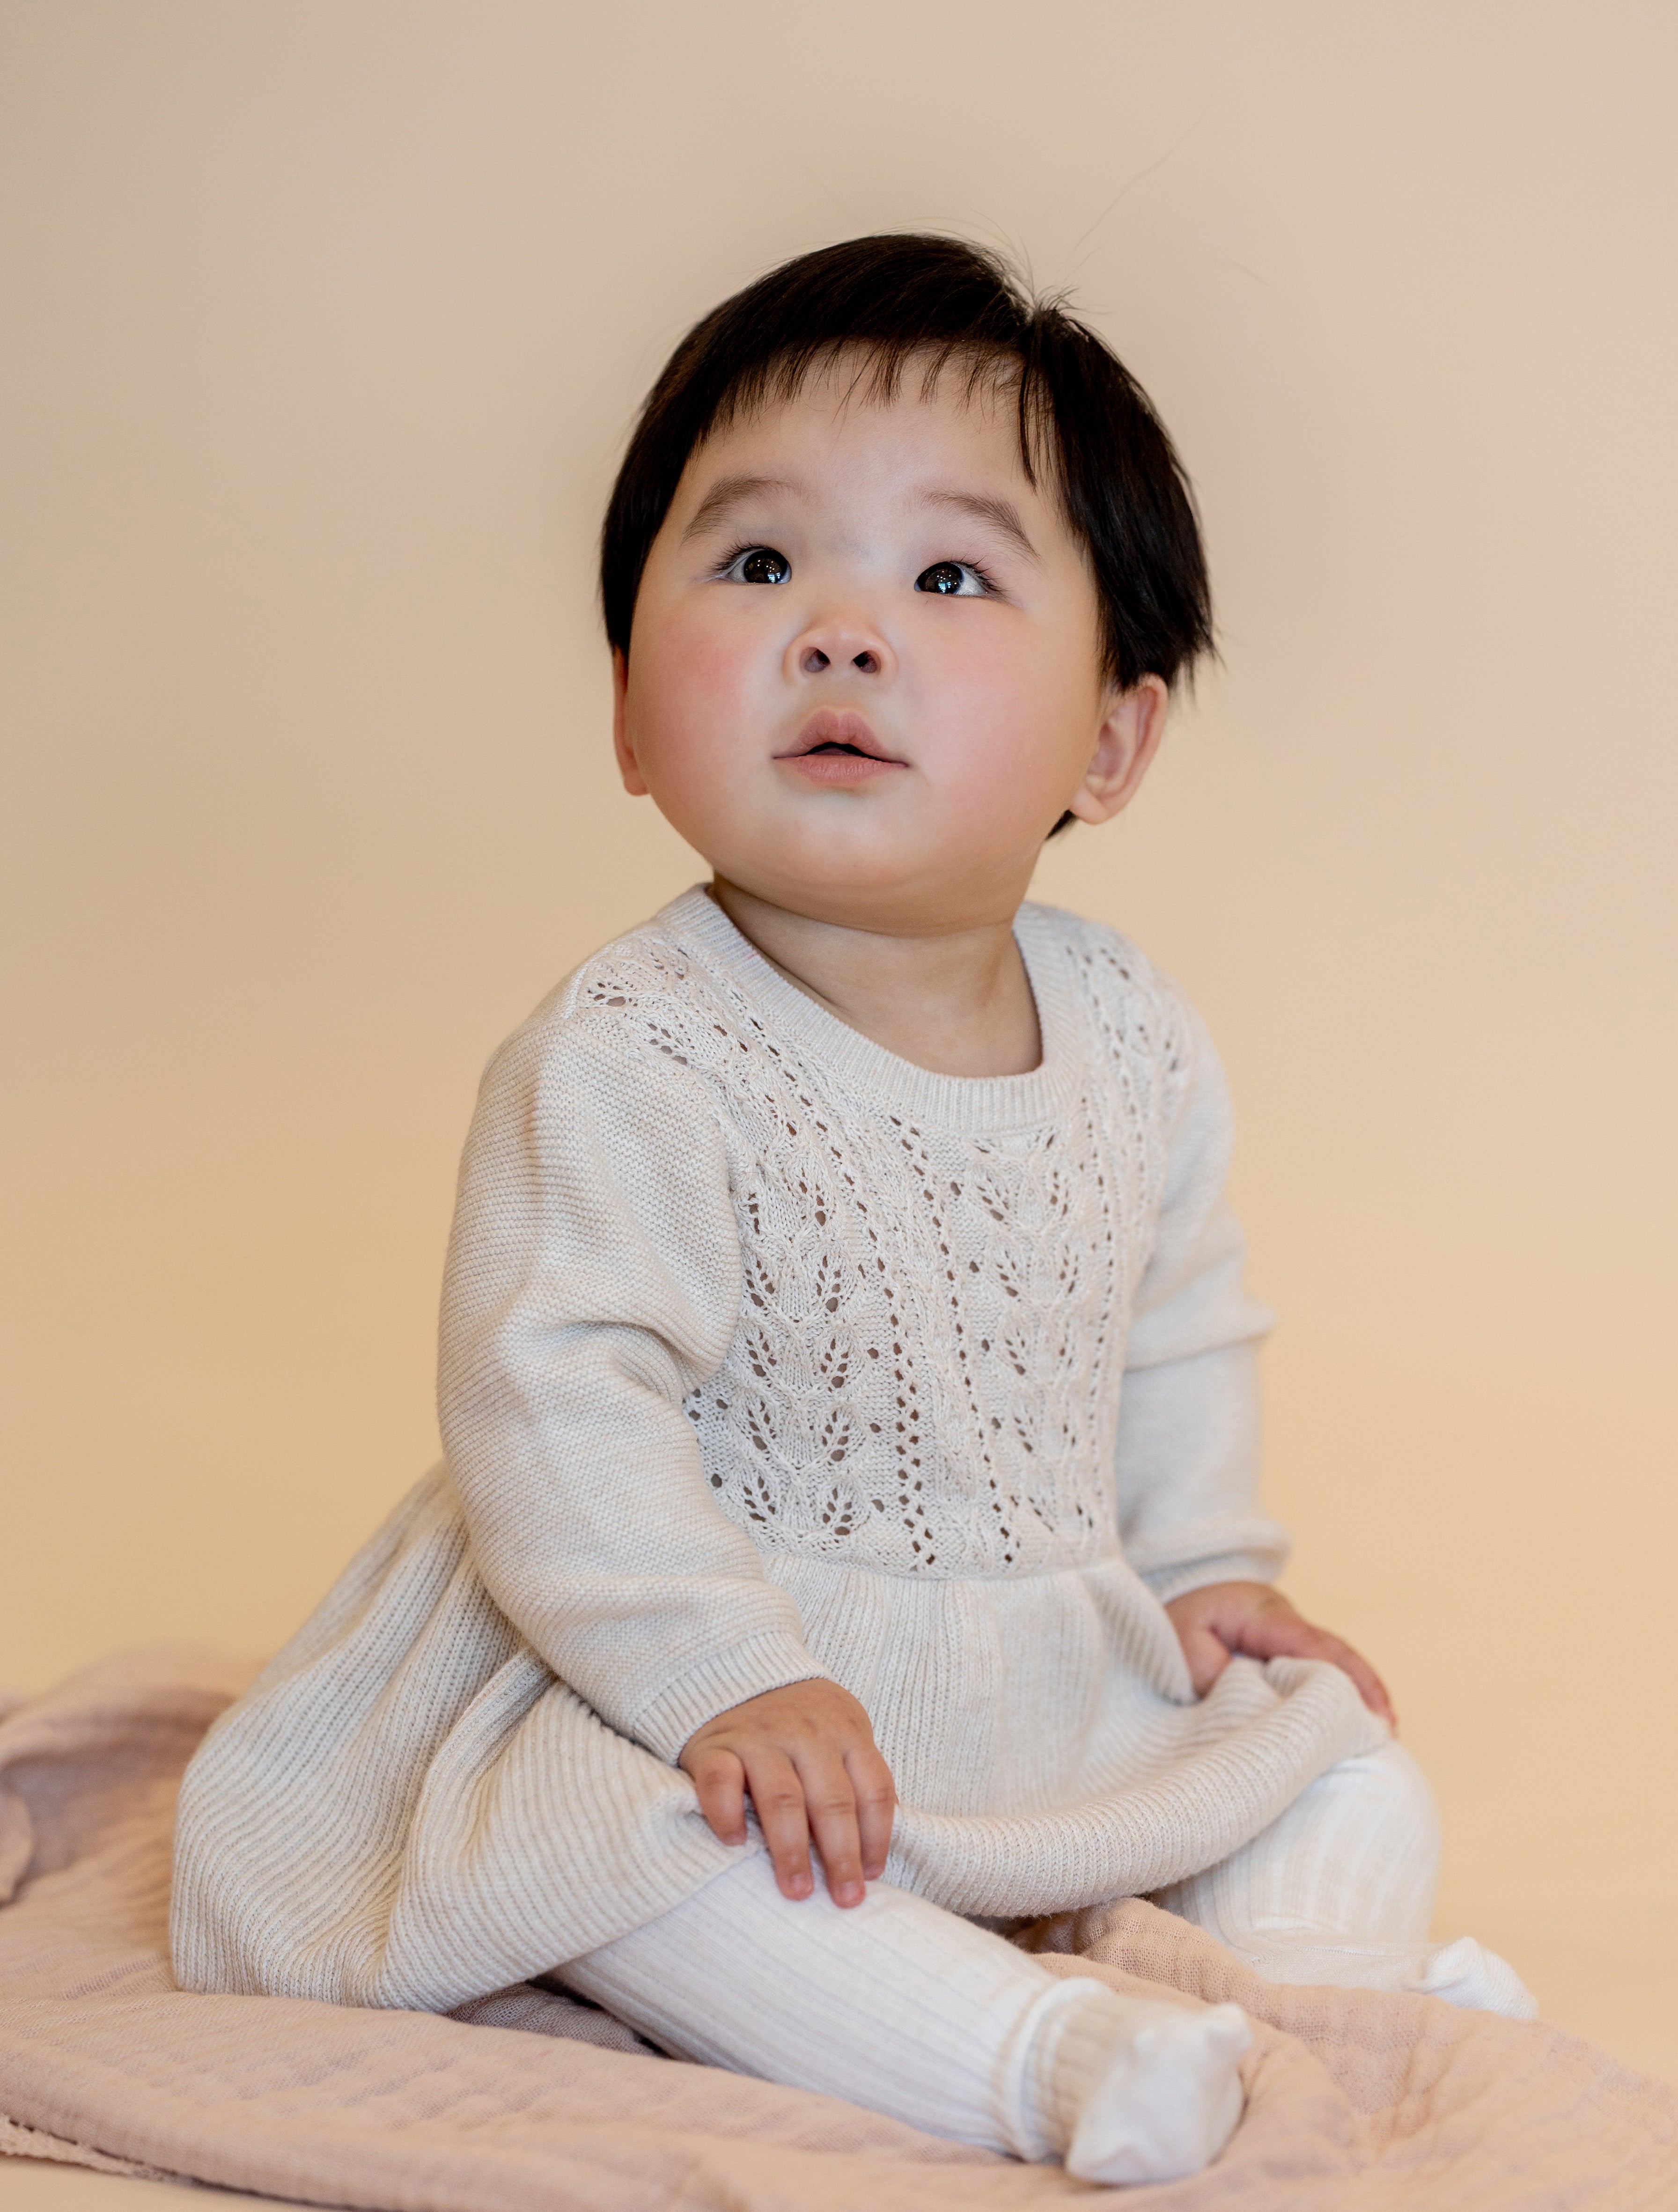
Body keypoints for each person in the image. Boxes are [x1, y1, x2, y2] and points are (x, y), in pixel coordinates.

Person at [170, 234, 1531, 2185]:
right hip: (662, 1666)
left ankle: (1315, 2012)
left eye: (949, 579)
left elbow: (1173, 1324)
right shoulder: (632, 1052)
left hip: (1028, 1670)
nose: (841, 633)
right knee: (641, 1856)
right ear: (628, 711)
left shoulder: (1132, 1033)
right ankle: (1042, 2057)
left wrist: (1206, 1569)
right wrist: (723, 1678)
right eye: (755, 563)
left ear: (1112, 740)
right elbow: (553, 1401)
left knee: (1334, 1756)